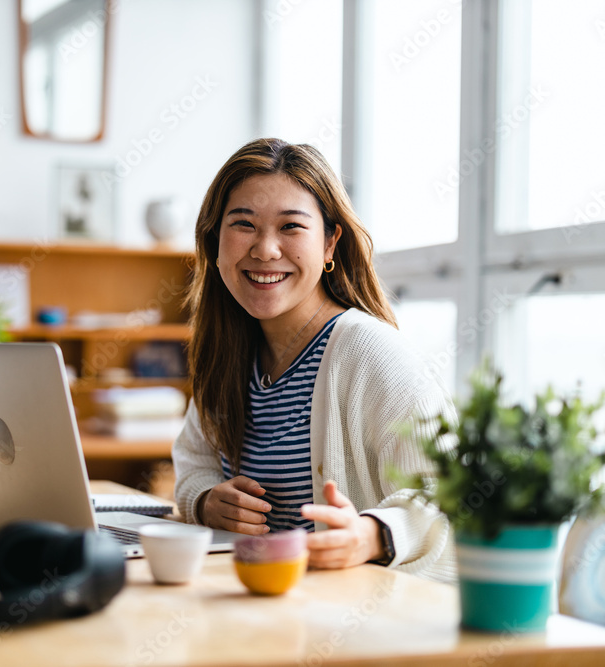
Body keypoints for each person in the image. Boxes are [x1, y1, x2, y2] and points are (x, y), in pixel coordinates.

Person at [172, 138, 457, 583]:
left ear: (329, 244)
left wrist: (369, 536)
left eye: (291, 227)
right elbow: (194, 461)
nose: (265, 250)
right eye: (243, 224)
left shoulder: (371, 354)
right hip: (258, 605)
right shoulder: (227, 351)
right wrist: (205, 501)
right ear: (215, 241)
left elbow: (449, 494)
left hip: (354, 626)